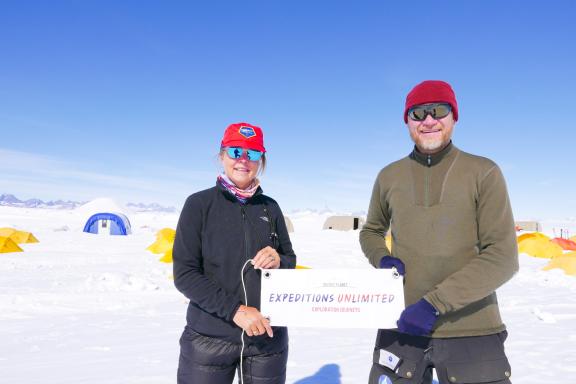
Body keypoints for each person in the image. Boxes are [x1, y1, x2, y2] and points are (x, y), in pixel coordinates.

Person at [359, 80, 519, 384]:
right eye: (418, 113)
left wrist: (434, 305)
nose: (429, 120)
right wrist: (381, 258)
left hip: (472, 328)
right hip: (401, 324)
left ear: (454, 117)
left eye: (439, 110)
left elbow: (502, 257)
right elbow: (371, 230)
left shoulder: (483, 172)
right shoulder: (389, 175)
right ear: (407, 120)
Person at [173, 122, 297, 384]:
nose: (243, 160)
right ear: (221, 156)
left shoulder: (270, 207)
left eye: (252, 153)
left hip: (267, 339)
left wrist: (279, 260)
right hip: (209, 339)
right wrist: (235, 310)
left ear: (261, 160)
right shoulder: (199, 205)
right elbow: (185, 274)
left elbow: (290, 260)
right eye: (235, 151)